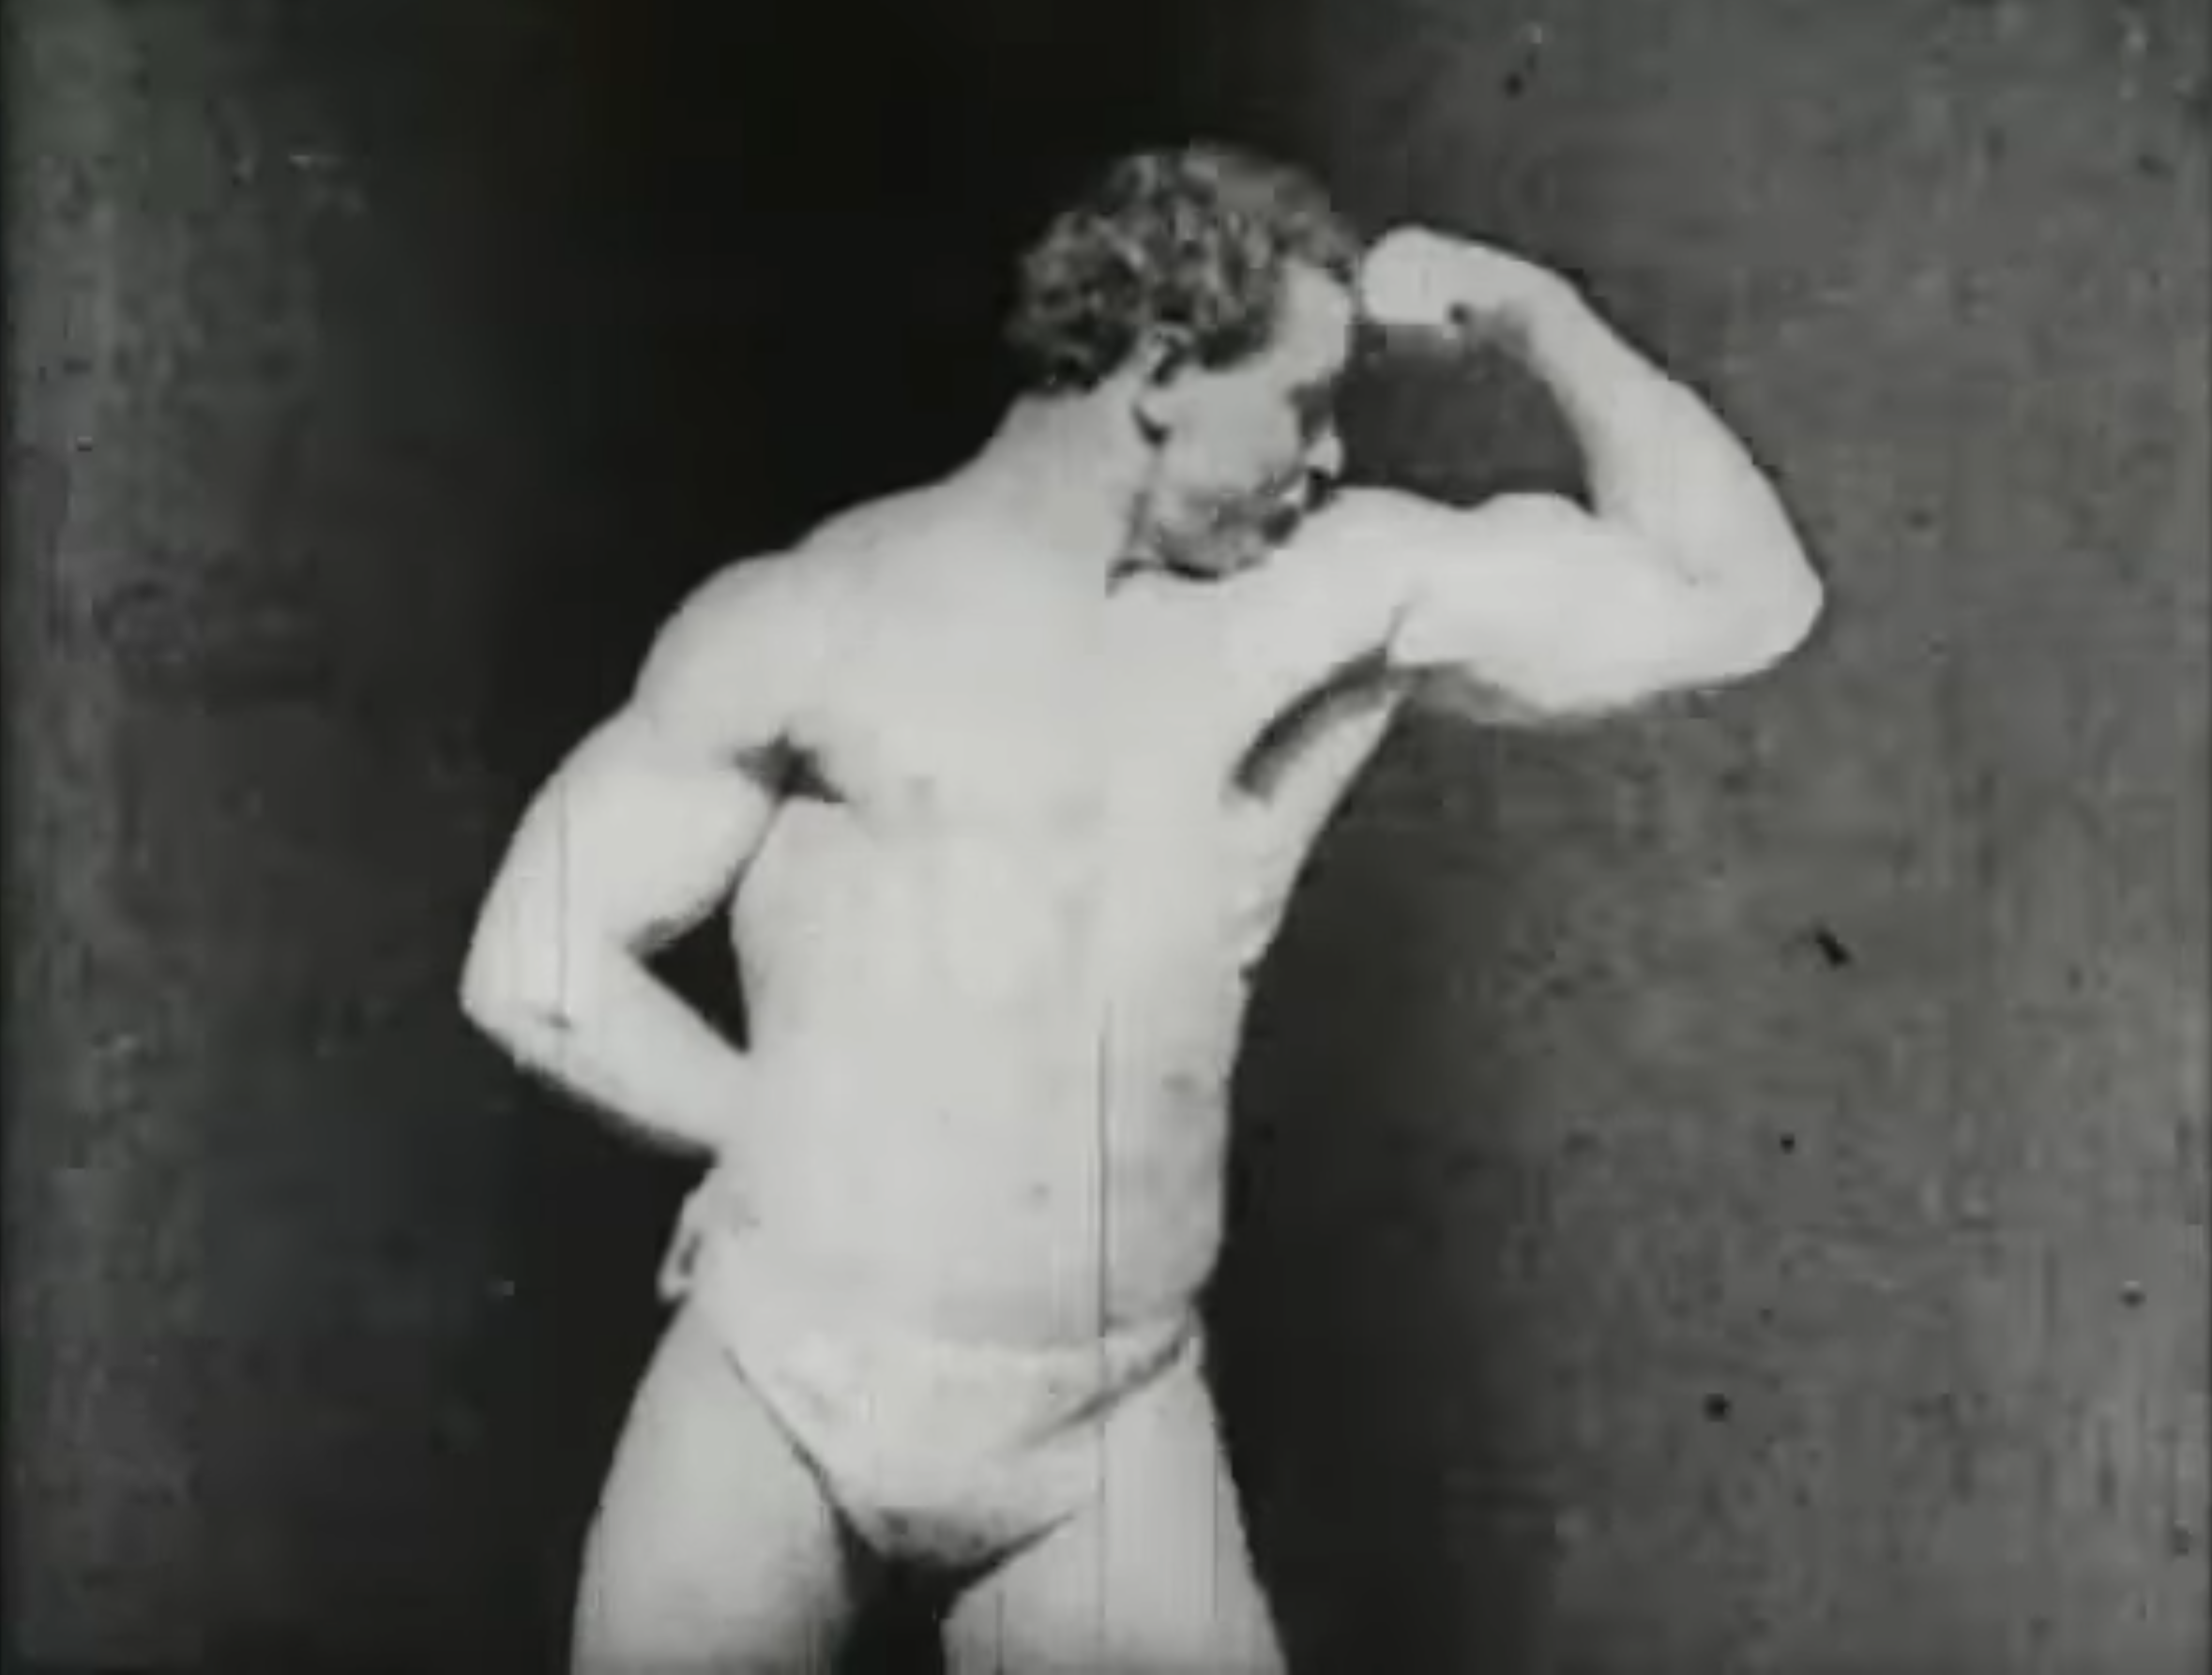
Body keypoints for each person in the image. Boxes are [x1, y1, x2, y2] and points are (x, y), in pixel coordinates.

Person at [459, 143, 1824, 1673]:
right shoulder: (818, 619)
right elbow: (531, 963)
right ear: (1164, 374)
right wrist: (761, 1129)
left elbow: (1745, 602)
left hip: (1097, 1435)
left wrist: (1532, 313)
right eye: (1303, 403)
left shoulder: (1342, 591)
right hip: (783, 1382)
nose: (1331, 458)